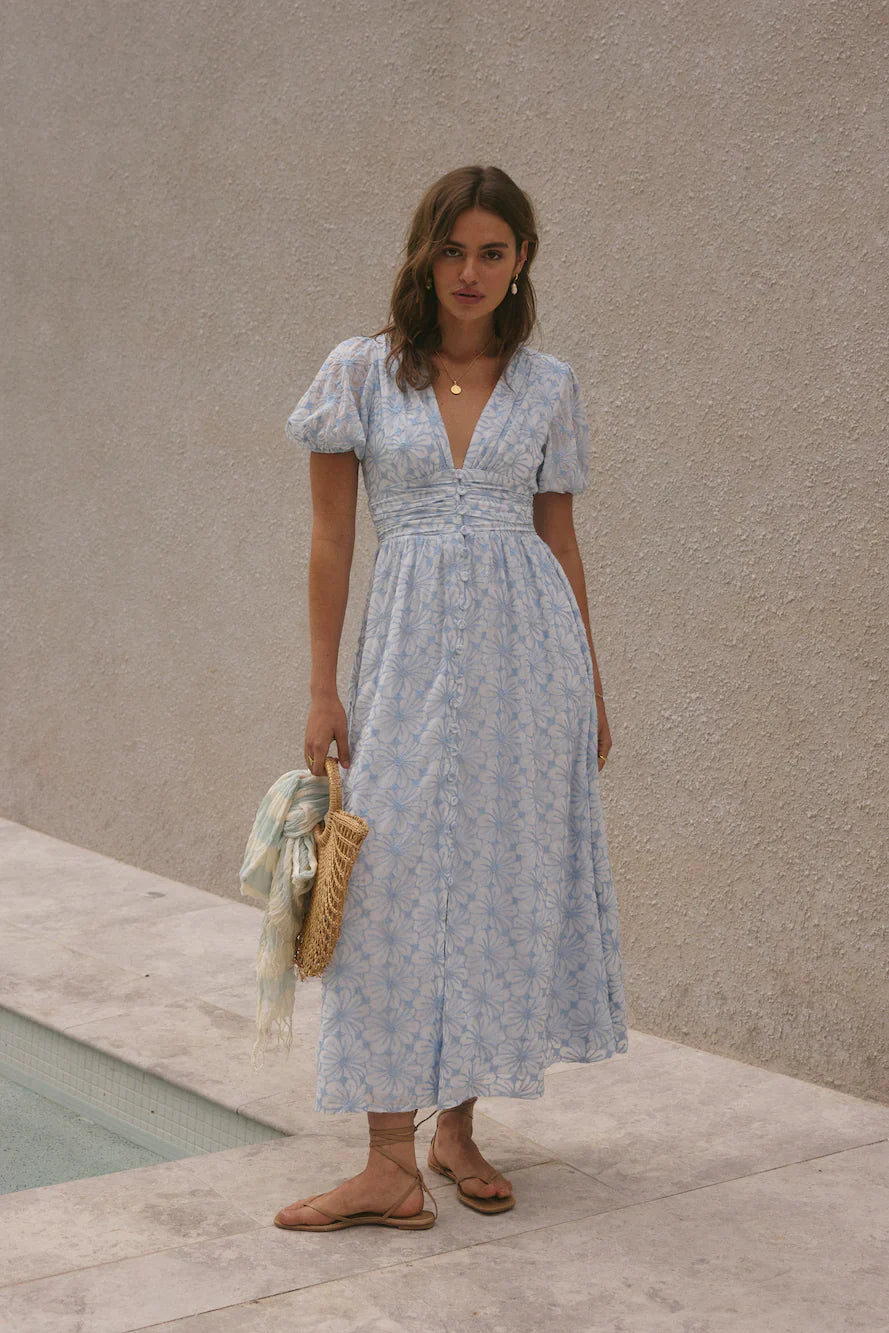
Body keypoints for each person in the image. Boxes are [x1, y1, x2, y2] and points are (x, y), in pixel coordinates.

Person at [274, 164, 628, 1233]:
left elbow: (559, 538)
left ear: (520, 262)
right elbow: (331, 540)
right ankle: (386, 1158)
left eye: (493, 251)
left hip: (530, 664)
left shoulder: (548, 384)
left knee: (495, 883)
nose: (470, 271)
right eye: (452, 249)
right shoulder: (361, 372)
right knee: (385, 888)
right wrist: (322, 686)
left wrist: (590, 683)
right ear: (423, 255)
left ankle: (456, 1131)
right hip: (408, 658)